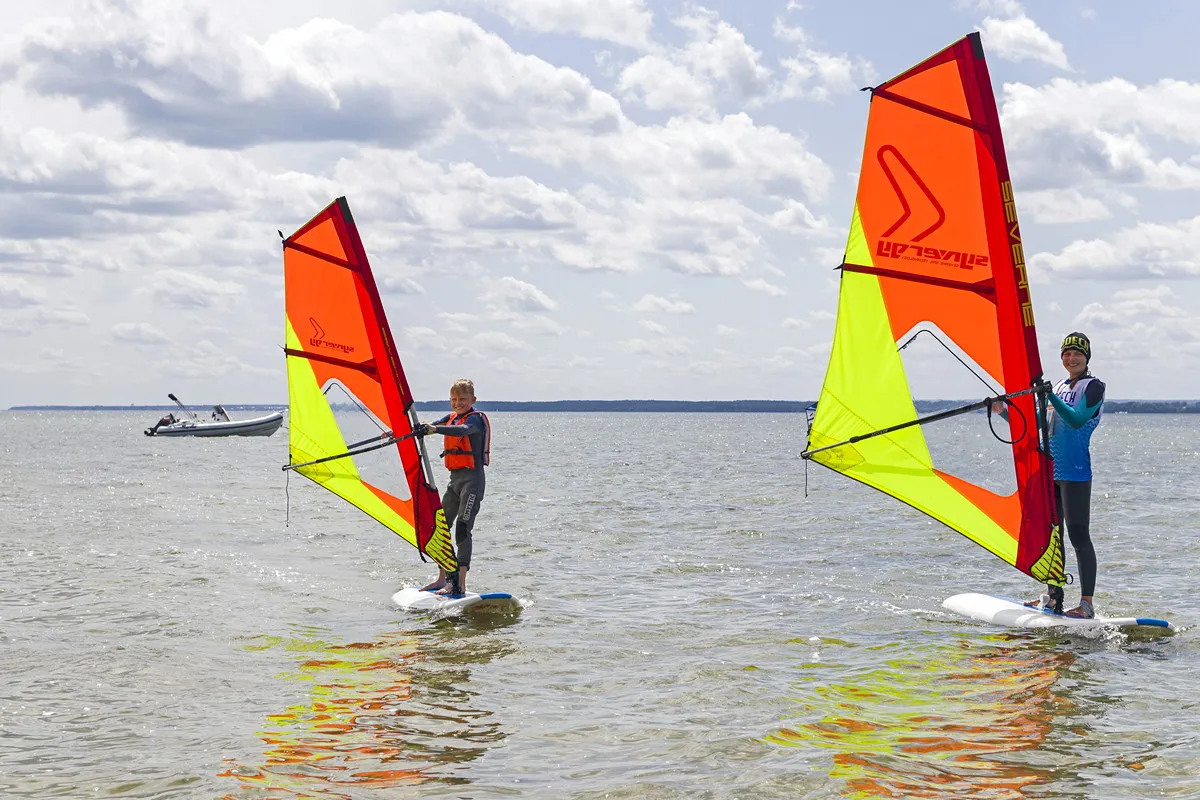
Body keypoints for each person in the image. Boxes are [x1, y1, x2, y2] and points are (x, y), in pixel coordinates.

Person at [997, 332, 1105, 618]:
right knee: (1051, 536)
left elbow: (1076, 418)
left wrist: (1050, 396)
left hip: (1075, 473)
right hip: (1050, 471)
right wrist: (1001, 410)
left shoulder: (1094, 387)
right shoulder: (1055, 386)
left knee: (1078, 535)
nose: (1071, 358)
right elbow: (1037, 425)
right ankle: (1053, 596)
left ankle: (1086, 604)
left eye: (1077, 354)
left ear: (1086, 358)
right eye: (1067, 354)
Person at [415, 378, 491, 596]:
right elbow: (431, 426)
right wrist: (399, 432)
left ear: (473, 400)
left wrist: (435, 430)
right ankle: (442, 578)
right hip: (454, 481)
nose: (458, 404)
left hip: (472, 482)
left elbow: (461, 431)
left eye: (463, 400)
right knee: (439, 528)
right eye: (454, 400)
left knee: (463, 529)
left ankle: (460, 583)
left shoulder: (474, 420)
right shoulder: (450, 418)